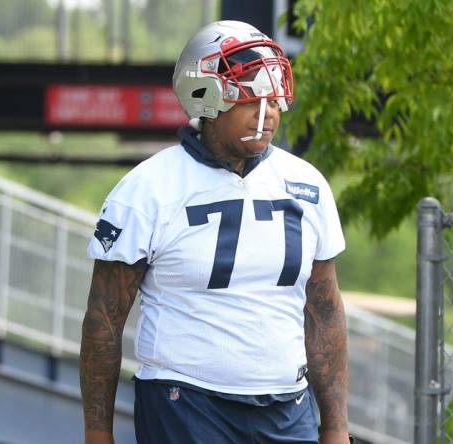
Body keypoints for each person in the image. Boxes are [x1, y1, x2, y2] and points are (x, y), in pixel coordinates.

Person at [80, 20, 350, 444]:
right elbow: (104, 319)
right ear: (203, 98)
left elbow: (324, 311)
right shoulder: (148, 188)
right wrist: (98, 432)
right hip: (184, 405)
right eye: (249, 98)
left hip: (287, 407)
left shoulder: (308, 185)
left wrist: (335, 428)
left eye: (273, 99)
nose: (267, 114)